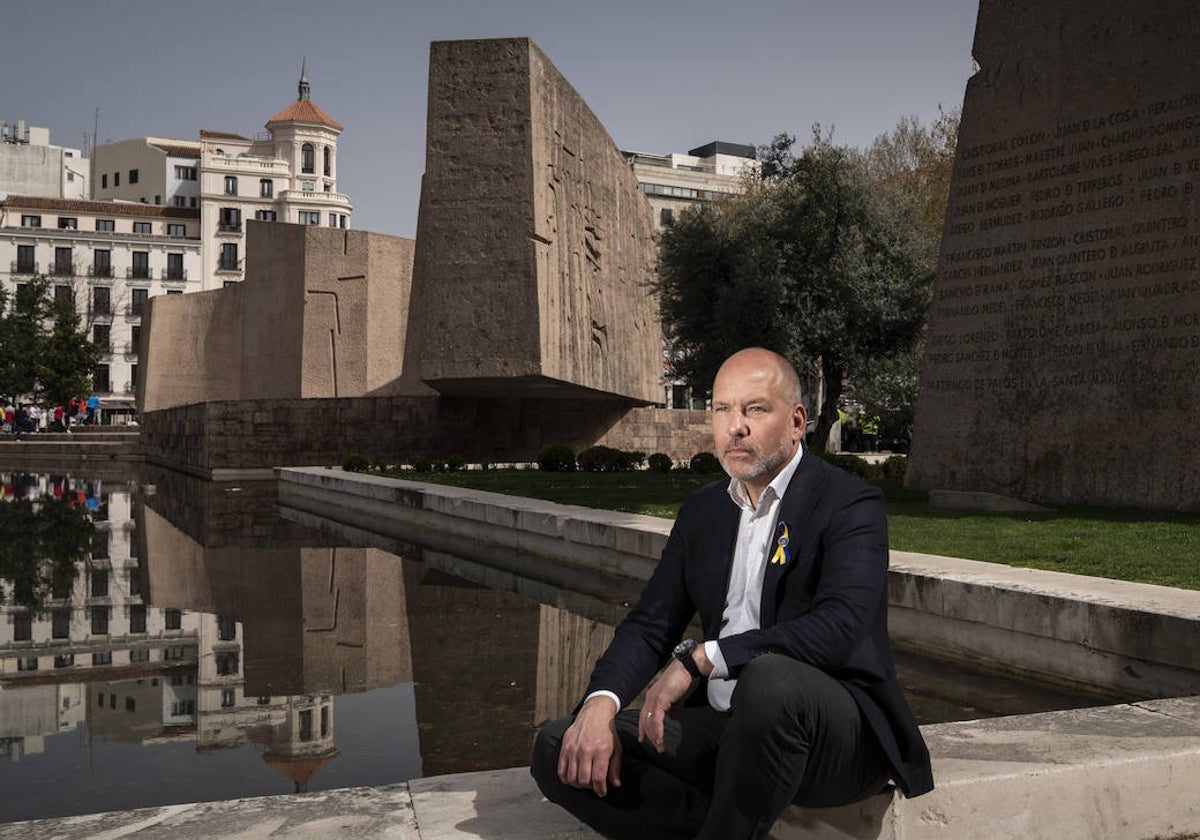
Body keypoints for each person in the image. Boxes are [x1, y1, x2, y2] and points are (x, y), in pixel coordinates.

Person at [531, 347, 933, 840]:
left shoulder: (850, 505)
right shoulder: (703, 511)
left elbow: (838, 627)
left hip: (834, 738)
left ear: (796, 422)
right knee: (560, 747)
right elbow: (651, 622)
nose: (734, 426)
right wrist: (600, 704)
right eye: (722, 409)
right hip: (724, 726)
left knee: (770, 680)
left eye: (754, 409)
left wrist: (702, 658)